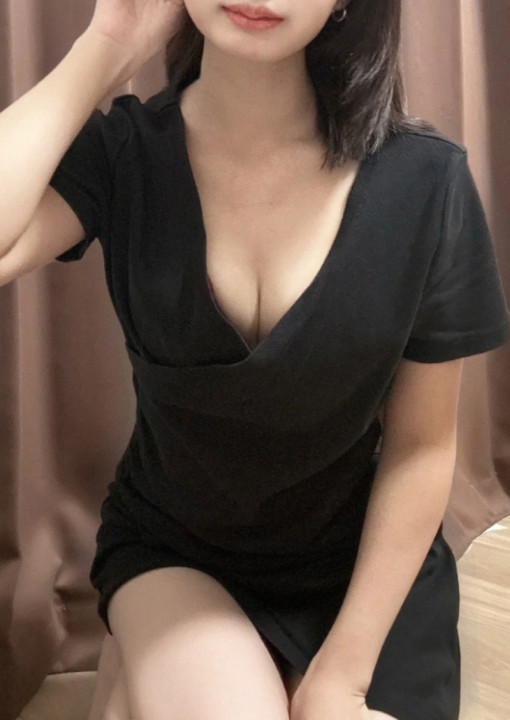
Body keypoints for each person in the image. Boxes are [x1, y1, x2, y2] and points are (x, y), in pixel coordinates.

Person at [1, 1, 509, 719]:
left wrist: (342, 678)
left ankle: (139, 680)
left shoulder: (427, 182)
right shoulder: (126, 152)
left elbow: (422, 448)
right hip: (178, 550)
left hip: (361, 563)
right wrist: (105, 45)